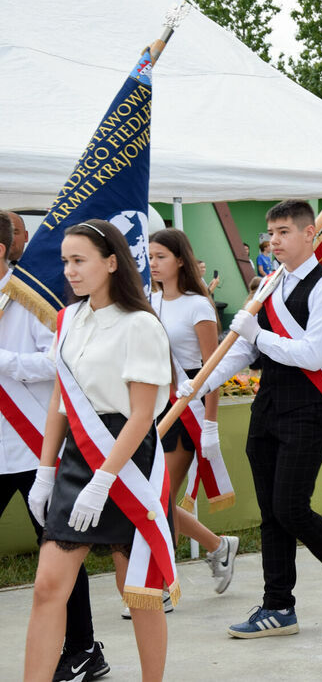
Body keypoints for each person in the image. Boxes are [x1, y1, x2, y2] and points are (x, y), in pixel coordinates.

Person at [183, 199, 322, 637]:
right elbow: (247, 352)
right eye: (272, 233)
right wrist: (203, 381)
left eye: (284, 231)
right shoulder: (269, 284)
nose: (274, 241)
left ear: (310, 233)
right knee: (271, 513)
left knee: (290, 506)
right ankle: (278, 606)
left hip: (310, 407)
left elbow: (311, 354)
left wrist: (257, 332)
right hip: (268, 406)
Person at [24, 220, 173, 681]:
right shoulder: (69, 318)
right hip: (77, 457)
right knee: (48, 587)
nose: (69, 270)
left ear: (111, 263)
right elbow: (59, 402)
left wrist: (104, 480)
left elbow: (142, 415)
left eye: (79, 260)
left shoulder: (141, 325)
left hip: (126, 460)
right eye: (65, 261)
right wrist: (45, 472)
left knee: (139, 592)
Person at [0, 214, 109, 681]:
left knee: (61, 551)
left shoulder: (31, 296)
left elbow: (58, 361)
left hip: (32, 448)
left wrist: (4, 360)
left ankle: (84, 647)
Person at [149, 228, 239, 596]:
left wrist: (211, 423)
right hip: (153, 406)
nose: (153, 264)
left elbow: (211, 369)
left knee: (157, 498)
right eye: (150, 257)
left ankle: (159, 586)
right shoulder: (146, 300)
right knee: (156, 499)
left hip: (186, 408)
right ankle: (219, 546)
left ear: (181, 260)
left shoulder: (197, 305)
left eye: (161, 257)